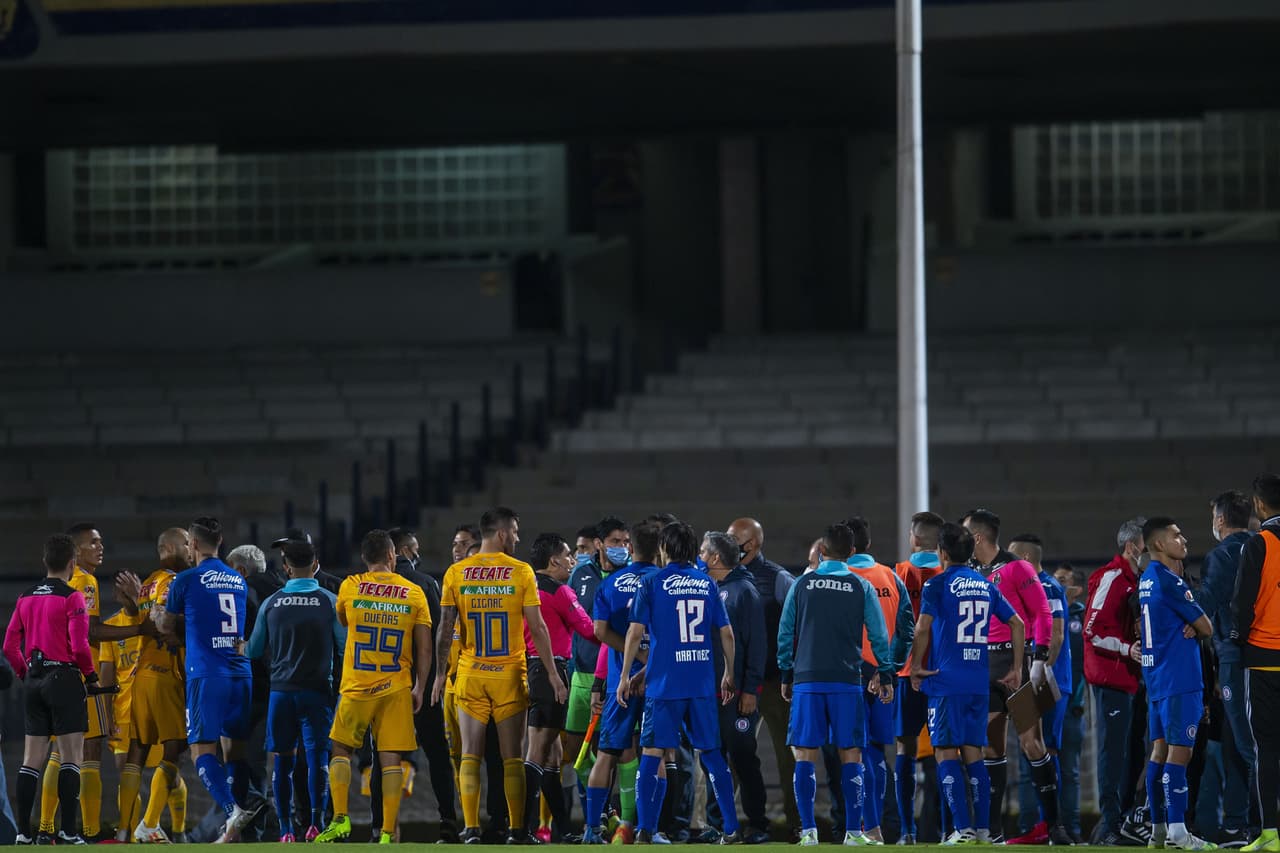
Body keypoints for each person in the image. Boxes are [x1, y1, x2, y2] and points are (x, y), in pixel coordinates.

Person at [432, 507, 565, 845]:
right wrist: (553, 674)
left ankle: (471, 829)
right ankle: (518, 831)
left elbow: (446, 629)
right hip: (508, 675)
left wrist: (437, 676)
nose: (518, 538)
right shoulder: (521, 572)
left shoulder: (457, 572)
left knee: (469, 755)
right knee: (511, 758)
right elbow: (537, 627)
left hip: (471, 673)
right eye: (516, 532)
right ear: (503, 533)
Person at [617, 521, 741, 845]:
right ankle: (731, 827)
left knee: (652, 752)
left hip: (665, 688)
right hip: (700, 685)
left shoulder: (652, 582)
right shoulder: (707, 583)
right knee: (712, 755)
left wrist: (624, 675)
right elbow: (726, 633)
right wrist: (729, 672)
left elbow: (634, 634)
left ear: (665, 548)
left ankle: (645, 827)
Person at [778, 523, 896, 848]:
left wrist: (786, 673)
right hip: (847, 681)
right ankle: (854, 833)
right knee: (852, 755)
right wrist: (884, 673)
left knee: (804, 755)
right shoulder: (861, 587)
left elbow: (785, 633)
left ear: (820, 552)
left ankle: (808, 832)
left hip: (808, 680)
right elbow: (878, 636)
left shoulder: (801, 584)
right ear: (852, 553)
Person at [909, 522, 1025, 846]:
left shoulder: (937, 585)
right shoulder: (986, 584)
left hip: (946, 683)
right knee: (975, 753)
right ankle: (987, 831)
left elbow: (921, 629)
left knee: (945, 751)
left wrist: (916, 666)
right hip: (978, 683)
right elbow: (1017, 623)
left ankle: (962, 829)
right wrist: (1017, 668)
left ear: (942, 553)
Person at [316, 530, 431, 844]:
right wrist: (420, 687)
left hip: (357, 685)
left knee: (340, 749)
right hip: (396, 687)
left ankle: (340, 819)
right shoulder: (413, 593)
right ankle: (386, 832)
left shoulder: (350, 586)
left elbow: (343, 619)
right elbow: (424, 648)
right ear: (392, 556)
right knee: (390, 758)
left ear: (365, 558)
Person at [959, 510, 1066, 845]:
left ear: (977, 537)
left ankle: (1055, 826)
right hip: (983, 665)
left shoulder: (1017, 568)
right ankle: (993, 830)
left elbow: (1042, 613)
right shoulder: (969, 573)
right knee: (991, 748)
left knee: (1031, 743)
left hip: (1016, 663)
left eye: (965, 533)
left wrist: (1038, 659)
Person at [156, 516, 261, 843]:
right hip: (240, 674)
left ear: (195, 545)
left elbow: (165, 627)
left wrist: (154, 613)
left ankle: (233, 810)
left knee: (202, 751)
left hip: (207, 674)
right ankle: (235, 826)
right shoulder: (238, 580)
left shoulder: (185, 580)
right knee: (235, 753)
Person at [41, 523, 144, 843]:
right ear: (76, 551)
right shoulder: (85, 581)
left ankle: (44, 829)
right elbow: (92, 631)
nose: (100, 548)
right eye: (93, 543)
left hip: (49, 673)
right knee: (90, 750)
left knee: (59, 751)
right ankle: (88, 831)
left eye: (101, 542)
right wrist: (140, 629)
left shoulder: (52, 584)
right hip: (79, 675)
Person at [246, 533, 345, 843]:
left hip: (282, 693)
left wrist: (240, 647)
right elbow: (344, 647)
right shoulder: (330, 602)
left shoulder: (271, 603)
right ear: (314, 565)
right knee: (317, 760)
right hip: (317, 692)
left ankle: (287, 830)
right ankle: (316, 824)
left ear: (286, 567)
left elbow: (254, 649)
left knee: (283, 762)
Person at [4, 534, 102, 844]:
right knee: (71, 756)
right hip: (64, 679)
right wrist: (91, 677)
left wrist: (25, 673)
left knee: (30, 760)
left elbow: (9, 646)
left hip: (34, 680)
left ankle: (23, 833)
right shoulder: (71, 597)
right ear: (72, 563)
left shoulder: (25, 597)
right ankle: (69, 832)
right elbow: (82, 647)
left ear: (45, 562)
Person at [1137, 517, 1214, 850]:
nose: (1184, 540)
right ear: (1158, 544)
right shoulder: (1170, 580)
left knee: (1158, 752)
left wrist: (1191, 623)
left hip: (1156, 678)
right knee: (1180, 755)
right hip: (1180, 678)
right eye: (1176, 535)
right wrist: (1196, 624)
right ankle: (1179, 833)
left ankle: (1157, 831)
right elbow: (1207, 627)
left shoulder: (1147, 579)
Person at [116, 528, 193, 844]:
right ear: (172, 547)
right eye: (187, 543)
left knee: (138, 750)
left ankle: (123, 829)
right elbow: (163, 623)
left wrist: (136, 604)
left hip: (142, 675)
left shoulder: (148, 581)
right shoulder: (172, 581)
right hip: (165, 674)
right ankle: (148, 824)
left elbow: (145, 619)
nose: (191, 549)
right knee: (175, 749)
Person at [843, 517, 914, 844]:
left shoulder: (842, 579)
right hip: (885, 681)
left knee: (854, 752)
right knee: (877, 752)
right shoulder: (890, 576)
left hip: (851, 679)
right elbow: (907, 630)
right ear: (868, 545)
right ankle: (880, 828)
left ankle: (864, 827)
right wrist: (889, 670)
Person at [585, 520, 655, 844]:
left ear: (631, 547)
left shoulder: (611, 583)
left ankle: (591, 829)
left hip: (620, 681)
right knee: (654, 753)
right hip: (657, 680)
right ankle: (639, 827)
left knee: (607, 753)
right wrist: (648, 658)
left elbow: (599, 632)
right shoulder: (662, 581)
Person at [387, 527, 459, 842]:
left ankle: (383, 827)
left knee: (385, 755)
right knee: (438, 755)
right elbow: (437, 635)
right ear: (402, 551)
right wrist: (436, 678)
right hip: (424, 685)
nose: (418, 554)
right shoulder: (426, 584)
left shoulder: (367, 587)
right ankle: (449, 823)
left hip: (386, 685)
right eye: (414, 548)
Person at [522, 533, 595, 842]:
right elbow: (589, 630)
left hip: (526, 667)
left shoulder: (524, 588)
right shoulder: (561, 592)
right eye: (567, 556)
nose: (571, 561)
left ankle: (563, 830)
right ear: (553, 561)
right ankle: (521, 829)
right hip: (552, 670)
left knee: (552, 755)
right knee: (538, 751)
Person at [727, 517, 798, 832]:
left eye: (733, 539)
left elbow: (799, 625)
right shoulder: (725, 577)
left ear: (751, 544)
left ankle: (798, 824)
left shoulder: (779, 579)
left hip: (772, 684)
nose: (727, 544)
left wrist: (791, 671)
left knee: (788, 757)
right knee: (734, 756)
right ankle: (727, 823)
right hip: (738, 684)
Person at [1195, 491, 1256, 848]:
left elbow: (1208, 602)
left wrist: (1180, 604)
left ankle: (1255, 824)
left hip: (1238, 657)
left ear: (1220, 520)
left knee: (1249, 746)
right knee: (1240, 743)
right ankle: (1237, 825)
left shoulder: (1223, 554)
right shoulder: (1267, 547)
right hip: (1265, 655)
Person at [702, 531, 768, 844]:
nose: (700, 557)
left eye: (704, 552)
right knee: (714, 757)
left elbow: (756, 645)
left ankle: (757, 824)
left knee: (742, 755)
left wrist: (750, 690)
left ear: (716, 558)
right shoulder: (707, 589)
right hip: (710, 694)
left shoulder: (744, 592)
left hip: (738, 693)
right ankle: (719, 825)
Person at [1084, 517, 1147, 846]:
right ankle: (1109, 824)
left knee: (1130, 752)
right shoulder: (1112, 578)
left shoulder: (1133, 581)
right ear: (1132, 546)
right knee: (1113, 752)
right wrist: (1127, 648)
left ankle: (1118, 821)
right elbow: (1091, 630)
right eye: (1148, 545)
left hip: (1129, 678)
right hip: (1112, 678)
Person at [1008, 534, 1072, 844]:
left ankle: (1051, 825)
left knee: (1045, 750)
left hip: (1046, 680)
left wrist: (1040, 675)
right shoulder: (1028, 587)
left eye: (1012, 557)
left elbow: (1055, 635)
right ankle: (1040, 826)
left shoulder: (1046, 587)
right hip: (1034, 678)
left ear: (1025, 559)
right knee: (1030, 750)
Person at [1230, 475, 1280, 853]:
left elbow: (1242, 601)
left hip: (1263, 658)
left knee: (1266, 748)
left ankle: (1269, 833)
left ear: (1259, 506)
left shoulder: (1258, 543)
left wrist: (1236, 636)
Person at [894, 510, 945, 844]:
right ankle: (949, 830)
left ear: (914, 538)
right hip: (941, 672)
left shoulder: (897, 574)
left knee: (904, 749)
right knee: (947, 751)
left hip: (905, 670)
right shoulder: (949, 574)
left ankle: (907, 831)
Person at [566, 519, 626, 801]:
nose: (622, 548)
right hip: (581, 674)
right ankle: (595, 808)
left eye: (626, 542)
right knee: (576, 751)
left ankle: (608, 814)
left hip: (615, 676)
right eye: (615, 542)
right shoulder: (579, 575)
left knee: (615, 751)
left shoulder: (629, 577)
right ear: (600, 544)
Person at [1053, 563, 1088, 845]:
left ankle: (1072, 829)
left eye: (1063, 581)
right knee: (1037, 769)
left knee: (1069, 771)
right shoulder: (1045, 616)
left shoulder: (1081, 619)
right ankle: (1038, 826)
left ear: (1076, 590)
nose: (1056, 585)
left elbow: (1082, 667)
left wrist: (1076, 700)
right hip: (1045, 704)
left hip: (1071, 708)